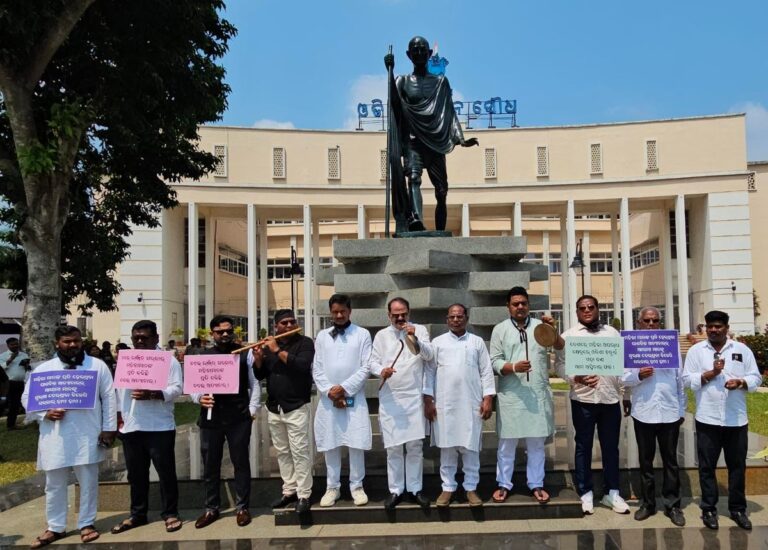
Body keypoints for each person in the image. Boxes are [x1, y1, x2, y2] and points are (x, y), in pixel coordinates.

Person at [22, 325, 116, 547]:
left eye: (76, 340)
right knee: (54, 484)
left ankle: (86, 523)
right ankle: (55, 527)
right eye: (67, 341)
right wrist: (45, 413)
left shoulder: (97, 366)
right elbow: (27, 399)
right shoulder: (43, 369)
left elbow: (109, 397)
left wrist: (109, 428)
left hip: (88, 434)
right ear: (57, 343)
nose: (73, 345)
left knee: (89, 482)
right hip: (55, 437)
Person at [384, 36, 478, 233]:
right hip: (413, 142)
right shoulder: (402, 81)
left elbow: (449, 111)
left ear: (429, 54)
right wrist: (389, 73)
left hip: (435, 142)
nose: (419, 53)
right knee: (414, 179)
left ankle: (440, 232)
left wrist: (460, 138)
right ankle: (416, 220)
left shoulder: (440, 82)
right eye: (414, 50)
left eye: (422, 50)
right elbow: (394, 103)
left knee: (441, 191)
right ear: (409, 55)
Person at [683, 310, 761, 531]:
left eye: (718, 326)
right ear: (705, 328)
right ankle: (708, 509)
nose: (714, 330)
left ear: (727, 328)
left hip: (736, 420)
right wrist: (710, 374)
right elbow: (687, 379)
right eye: (710, 326)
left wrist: (741, 382)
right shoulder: (697, 351)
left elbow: (756, 377)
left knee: (737, 466)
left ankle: (738, 509)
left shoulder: (741, 350)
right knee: (706, 466)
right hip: (707, 418)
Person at [555, 295, 629, 515]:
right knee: (583, 446)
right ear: (577, 312)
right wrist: (575, 377)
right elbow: (559, 365)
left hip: (609, 398)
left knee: (611, 447)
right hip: (583, 399)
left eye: (590, 307)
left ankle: (612, 492)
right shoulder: (568, 336)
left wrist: (626, 394)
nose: (587, 310)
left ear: (597, 309)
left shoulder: (612, 334)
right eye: (582, 308)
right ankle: (585, 491)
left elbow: (623, 364)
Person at [110, 320, 183, 535]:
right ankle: (138, 514)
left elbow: (177, 388)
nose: (140, 341)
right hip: (132, 427)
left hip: (159, 426)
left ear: (156, 338)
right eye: (136, 338)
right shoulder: (126, 361)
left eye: (145, 337)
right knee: (136, 474)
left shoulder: (168, 361)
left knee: (166, 472)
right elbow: (117, 393)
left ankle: (170, 513)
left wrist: (153, 394)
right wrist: (116, 420)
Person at [490, 287, 561, 504]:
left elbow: (559, 347)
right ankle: (503, 484)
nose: (520, 307)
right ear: (508, 307)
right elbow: (494, 361)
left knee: (536, 444)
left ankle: (536, 484)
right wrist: (513, 366)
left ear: (528, 305)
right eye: (515, 304)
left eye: (523, 303)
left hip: (536, 395)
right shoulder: (500, 329)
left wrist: (553, 329)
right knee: (506, 444)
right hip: (511, 395)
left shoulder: (542, 328)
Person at [191, 315, 260, 529]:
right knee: (211, 464)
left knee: (240, 462)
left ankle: (242, 507)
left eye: (228, 331)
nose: (225, 334)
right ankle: (211, 508)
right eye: (220, 331)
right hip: (211, 418)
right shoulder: (202, 355)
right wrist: (199, 398)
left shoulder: (243, 354)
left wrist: (252, 409)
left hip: (238, 417)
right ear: (212, 333)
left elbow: (254, 383)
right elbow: (193, 385)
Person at [621, 307, 686, 526]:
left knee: (670, 461)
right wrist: (639, 374)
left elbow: (680, 381)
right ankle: (648, 504)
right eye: (646, 321)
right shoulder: (631, 346)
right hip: (644, 412)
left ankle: (673, 505)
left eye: (655, 321)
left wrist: (681, 410)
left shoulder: (670, 345)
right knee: (645, 461)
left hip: (669, 412)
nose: (651, 324)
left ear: (660, 323)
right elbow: (623, 378)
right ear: (639, 323)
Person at [425, 304, 495, 507]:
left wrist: (488, 398)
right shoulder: (437, 343)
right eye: (452, 317)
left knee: (470, 448)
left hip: (471, 403)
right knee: (447, 449)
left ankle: (471, 488)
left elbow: (486, 372)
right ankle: (448, 488)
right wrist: (428, 400)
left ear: (466, 318)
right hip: (445, 405)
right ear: (446, 319)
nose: (456, 320)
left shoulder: (477, 342)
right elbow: (429, 372)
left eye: (459, 316)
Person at [370, 297, 433, 509]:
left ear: (409, 312)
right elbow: (372, 361)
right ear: (388, 315)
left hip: (414, 397)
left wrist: (414, 337)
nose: (399, 318)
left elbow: (429, 355)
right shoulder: (381, 335)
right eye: (395, 314)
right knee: (394, 447)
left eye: (403, 314)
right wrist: (381, 370)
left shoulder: (420, 330)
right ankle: (396, 490)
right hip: (391, 398)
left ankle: (415, 489)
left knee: (415, 446)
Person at [252, 309, 315, 514]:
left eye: (292, 322)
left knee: (300, 452)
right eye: (284, 323)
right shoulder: (270, 346)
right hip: (274, 407)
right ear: (276, 326)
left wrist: (276, 349)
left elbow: (302, 366)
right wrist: (259, 358)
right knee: (282, 452)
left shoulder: (305, 343)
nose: (289, 326)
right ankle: (289, 490)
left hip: (296, 406)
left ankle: (304, 494)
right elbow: (260, 374)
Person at [312, 294, 372, 507]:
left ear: (350, 311)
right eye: (335, 311)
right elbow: (317, 367)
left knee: (355, 442)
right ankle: (332, 487)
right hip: (329, 400)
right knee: (331, 443)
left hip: (353, 397)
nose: (338, 315)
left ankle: (356, 486)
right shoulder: (322, 336)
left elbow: (366, 366)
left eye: (342, 311)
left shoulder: (362, 334)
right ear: (330, 312)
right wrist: (330, 391)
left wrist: (344, 389)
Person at [1, 337, 31, 429]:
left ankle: (28, 421)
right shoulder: (3, 356)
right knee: (12, 404)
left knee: (22, 403)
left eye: (16, 344)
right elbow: (1, 368)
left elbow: (27, 367)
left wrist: (27, 365)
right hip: (9, 383)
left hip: (21, 383)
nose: (15, 346)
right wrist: (10, 359)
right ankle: (10, 425)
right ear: (8, 345)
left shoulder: (23, 355)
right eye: (13, 344)